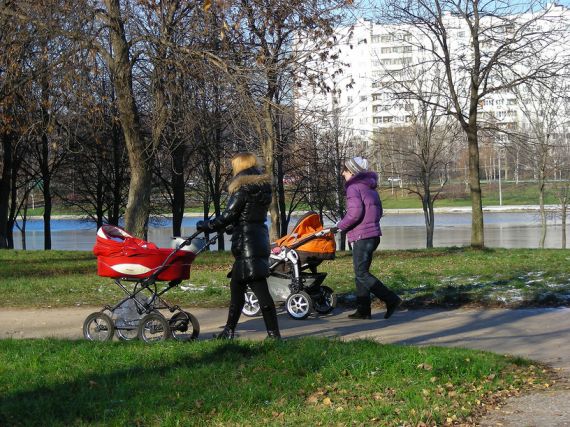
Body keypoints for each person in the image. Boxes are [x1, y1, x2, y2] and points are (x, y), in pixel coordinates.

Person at [196, 152, 280, 339]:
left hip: (246, 245)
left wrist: (205, 225)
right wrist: (236, 225)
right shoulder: (262, 188)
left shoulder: (243, 188)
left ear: (240, 166)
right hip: (257, 238)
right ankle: (229, 331)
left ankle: (274, 335)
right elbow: (248, 214)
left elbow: (227, 216)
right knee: (237, 288)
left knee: (261, 291)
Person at [335, 156, 402, 320]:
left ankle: (391, 299)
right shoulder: (369, 187)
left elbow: (354, 213)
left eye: (345, 170)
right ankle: (363, 310)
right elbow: (377, 212)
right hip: (372, 234)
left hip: (362, 236)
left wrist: (340, 226)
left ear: (352, 171)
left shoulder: (353, 188)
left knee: (361, 273)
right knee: (361, 273)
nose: (343, 174)